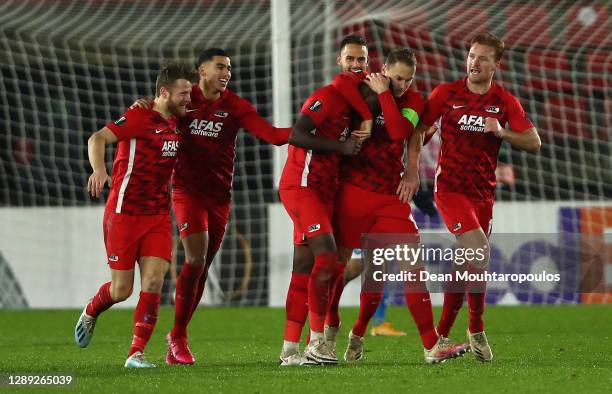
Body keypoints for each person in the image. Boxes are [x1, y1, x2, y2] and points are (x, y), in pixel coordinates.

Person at [134, 48, 291, 365]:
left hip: (220, 198)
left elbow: (272, 136)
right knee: (194, 258)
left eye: (229, 68)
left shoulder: (234, 105)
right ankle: (177, 336)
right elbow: (155, 111)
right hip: (186, 191)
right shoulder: (184, 97)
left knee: (202, 266)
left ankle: (176, 337)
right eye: (220, 67)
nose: (227, 73)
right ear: (201, 71)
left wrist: (312, 129)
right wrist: (140, 107)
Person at [325, 48, 469, 363]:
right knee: (339, 267)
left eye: (408, 79)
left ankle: (429, 346)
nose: (402, 84)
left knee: (404, 268)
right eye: (397, 77)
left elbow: (398, 132)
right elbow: (337, 88)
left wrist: (385, 95)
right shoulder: (362, 87)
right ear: (384, 69)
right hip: (351, 193)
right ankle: (329, 329)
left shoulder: (414, 102)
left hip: (391, 198)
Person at [406, 32, 541, 362]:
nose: (474, 62)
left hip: (484, 195)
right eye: (471, 55)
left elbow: (533, 142)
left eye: (482, 57)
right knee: (479, 250)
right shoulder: (446, 93)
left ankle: (440, 335)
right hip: (450, 191)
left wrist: (502, 131)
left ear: (497, 63)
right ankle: (477, 330)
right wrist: (413, 167)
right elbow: (417, 132)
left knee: (465, 263)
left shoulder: (504, 101)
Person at [74, 62, 197, 368]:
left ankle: (136, 353)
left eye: (190, 94)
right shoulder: (138, 116)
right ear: (164, 92)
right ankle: (91, 309)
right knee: (121, 290)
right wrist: (99, 170)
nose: (188, 100)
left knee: (154, 280)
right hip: (123, 214)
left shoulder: (178, 122)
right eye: (183, 93)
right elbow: (96, 139)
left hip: (157, 215)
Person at [278, 35, 371, 366]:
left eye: (362, 60)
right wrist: (343, 147)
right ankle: (317, 343)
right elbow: (297, 134)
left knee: (303, 266)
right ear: (339, 62)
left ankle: (290, 350)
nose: (357, 65)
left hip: (325, 190)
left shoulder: (358, 107)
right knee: (328, 256)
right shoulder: (326, 97)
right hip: (302, 186)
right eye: (351, 59)